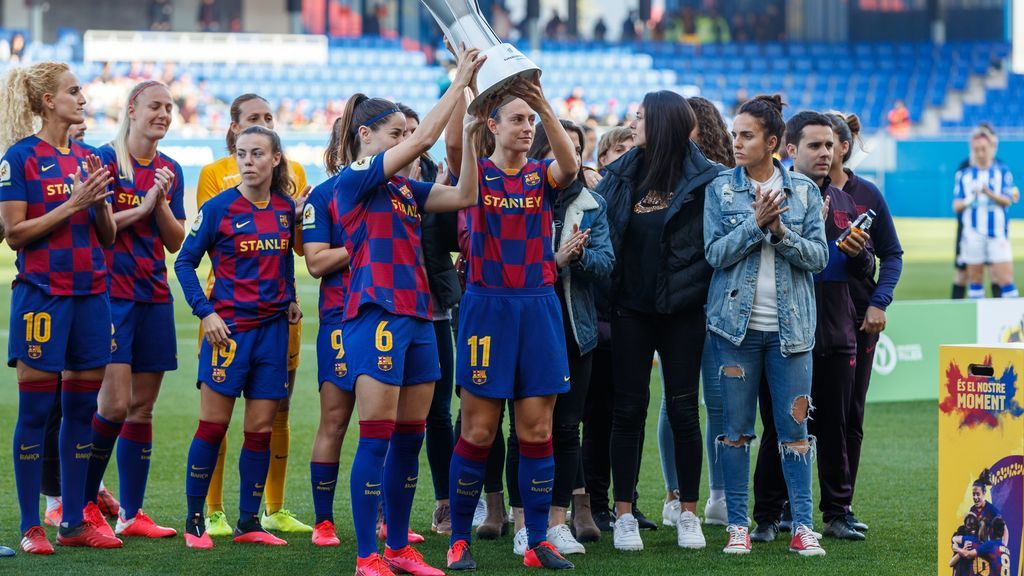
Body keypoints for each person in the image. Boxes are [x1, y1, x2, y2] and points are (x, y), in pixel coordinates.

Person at [334, 47, 484, 576]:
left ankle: (397, 548)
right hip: (375, 314)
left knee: (411, 434)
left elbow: (466, 193)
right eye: (393, 134)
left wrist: (469, 114)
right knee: (376, 432)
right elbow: (423, 139)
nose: (405, 143)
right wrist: (459, 77)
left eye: (404, 134)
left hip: (420, 316)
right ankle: (367, 557)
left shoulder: (405, 190)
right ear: (367, 137)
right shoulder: (354, 178)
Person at [443, 75, 580, 571]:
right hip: (487, 307)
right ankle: (460, 539)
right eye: (517, 120)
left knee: (537, 428)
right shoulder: (475, 176)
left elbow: (571, 166)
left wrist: (544, 105)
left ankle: (537, 539)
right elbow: (455, 143)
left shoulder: (541, 175)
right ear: (493, 126)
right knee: (478, 432)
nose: (526, 128)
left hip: (538, 306)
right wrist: (464, 89)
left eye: (530, 121)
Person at [0, 61, 120, 554]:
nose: (82, 99)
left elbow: (108, 237)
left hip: (92, 296)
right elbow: (13, 233)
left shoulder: (91, 158)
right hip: (42, 298)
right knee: (35, 412)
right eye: (74, 92)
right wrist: (71, 205)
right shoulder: (20, 157)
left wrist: (95, 205)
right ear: (48, 101)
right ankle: (32, 526)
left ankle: (72, 522)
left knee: (81, 411)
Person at [703, 95, 828, 556]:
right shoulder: (720, 190)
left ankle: (802, 527)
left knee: (794, 432)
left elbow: (819, 257)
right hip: (733, 332)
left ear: (772, 142)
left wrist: (781, 233)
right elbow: (714, 254)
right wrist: (756, 226)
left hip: (791, 333)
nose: (736, 142)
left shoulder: (806, 191)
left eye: (746, 135)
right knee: (735, 430)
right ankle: (738, 525)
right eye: (735, 134)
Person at [597, 91, 721, 552]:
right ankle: (624, 514)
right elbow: (602, 230)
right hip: (630, 310)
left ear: (664, 123)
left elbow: (714, 243)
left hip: (683, 312)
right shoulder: (622, 172)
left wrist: (693, 284)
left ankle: (688, 512)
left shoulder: (707, 178)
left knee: (685, 411)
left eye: (641, 117)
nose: (633, 123)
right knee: (627, 412)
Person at [176, 126, 300, 549]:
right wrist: (206, 312)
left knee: (261, 429)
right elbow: (184, 264)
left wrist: (292, 297)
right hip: (228, 334)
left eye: (257, 154)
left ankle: (250, 522)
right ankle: (195, 521)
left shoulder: (286, 209)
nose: (248, 161)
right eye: (242, 154)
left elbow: (284, 258)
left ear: (275, 159)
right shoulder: (216, 209)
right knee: (213, 426)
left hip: (273, 334)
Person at [501, 119, 613, 556]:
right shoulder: (521, 196)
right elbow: (509, 259)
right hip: (525, 327)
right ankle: (523, 521)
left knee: (567, 428)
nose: (573, 158)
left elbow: (606, 262)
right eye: (565, 148)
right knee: (523, 430)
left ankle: (557, 520)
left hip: (573, 329)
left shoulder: (592, 204)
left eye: (579, 149)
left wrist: (579, 258)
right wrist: (555, 258)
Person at [81, 80, 185, 541]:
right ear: (132, 109)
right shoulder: (104, 160)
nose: (164, 114)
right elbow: (98, 228)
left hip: (153, 294)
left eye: (169, 107)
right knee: (115, 404)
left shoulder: (170, 169)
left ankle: (132, 513)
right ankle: (82, 503)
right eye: (155, 106)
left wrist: (158, 203)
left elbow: (177, 240)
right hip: (111, 296)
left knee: (142, 409)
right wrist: (143, 205)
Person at [658, 95, 736, 529]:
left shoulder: (721, 178)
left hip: (717, 301)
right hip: (682, 304)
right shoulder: (662, 175)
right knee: (678, 401)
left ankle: (718, 496)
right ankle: (675, 495)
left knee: (717, 402)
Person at [825, 112, 903, 533]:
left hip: (856, 319)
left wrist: (879, 301)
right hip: (808, 317)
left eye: (831, 142)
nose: (825, 150)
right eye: (815, 143)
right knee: (795, 413)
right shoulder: (795, 189)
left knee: (850, 415)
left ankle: (841, 507)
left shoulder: (867, 194)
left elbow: (892, 255)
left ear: (843, 145)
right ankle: (782, 507)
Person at [396, 103, 464, 537]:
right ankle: (387, 506)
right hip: (392, 313)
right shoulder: (379, 180)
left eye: (417, 132)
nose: (411, 140)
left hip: (436, 309)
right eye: (403, 132)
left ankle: (443, 503)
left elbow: (455, 238)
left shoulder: (437, 177)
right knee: (388, 415)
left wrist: (437, 195)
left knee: (438, 413)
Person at [302, 120, 355, 548]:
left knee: (386, 427)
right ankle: (323, 521)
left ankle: (384, 521)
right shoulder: (323, 196)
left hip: (390, 319)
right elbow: (316, 262)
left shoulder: (394, 192)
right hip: (341, 318)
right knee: (334, 421)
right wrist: (363, 246)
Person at [581, 123, 636, 534]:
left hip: (630, 323)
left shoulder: (642, 199)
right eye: (619, 149)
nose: (627, 155)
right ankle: (596, 504)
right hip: (599, 325)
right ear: (602, 159)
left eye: (632, 148)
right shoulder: (592, 202)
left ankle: (627, 505)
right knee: (597, 419)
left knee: (628, 417)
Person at [953, 125, 1018, 298]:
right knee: (975, 280)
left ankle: (1013, 322)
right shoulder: (964, 174)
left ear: (991, 148)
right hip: (972, 235)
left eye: (983, 149)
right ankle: (979, 322)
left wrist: (989, 193)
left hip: (997, 234)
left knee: (1005, 279)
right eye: (976, 150)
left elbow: (1007, 200)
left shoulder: (1002, 171)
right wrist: (971, 198)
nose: (980, 153)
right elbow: (956, 205)